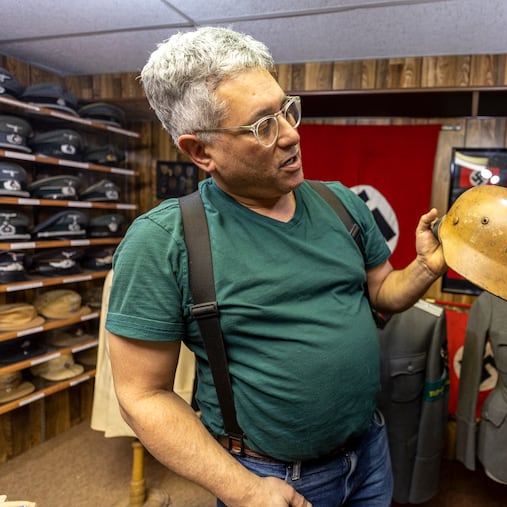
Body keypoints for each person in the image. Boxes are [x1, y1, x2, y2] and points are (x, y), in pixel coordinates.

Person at [105, 26, 446, 507]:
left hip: (370, 451)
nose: (292, 134)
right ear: (200, 151)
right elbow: (143, 396)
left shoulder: (341, 203)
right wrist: (242, 490)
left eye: (287, 110)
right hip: (273, 479)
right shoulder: (164, 242)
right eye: (263, 125)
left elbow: (381, 292)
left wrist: (424, 270)